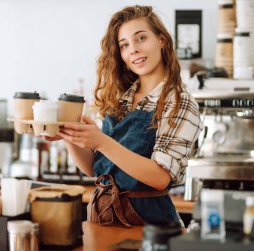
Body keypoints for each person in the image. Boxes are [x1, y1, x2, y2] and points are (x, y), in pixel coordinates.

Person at [45, 5, 202, 226]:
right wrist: (70, 134)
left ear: (162, 40)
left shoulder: (179, 102)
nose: (133, 50)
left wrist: (101, 141)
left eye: (141, 38)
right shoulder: (120, 99)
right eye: (124, 45)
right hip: (104, 218)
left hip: (149, 226)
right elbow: (95, 169)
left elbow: (160, 177)